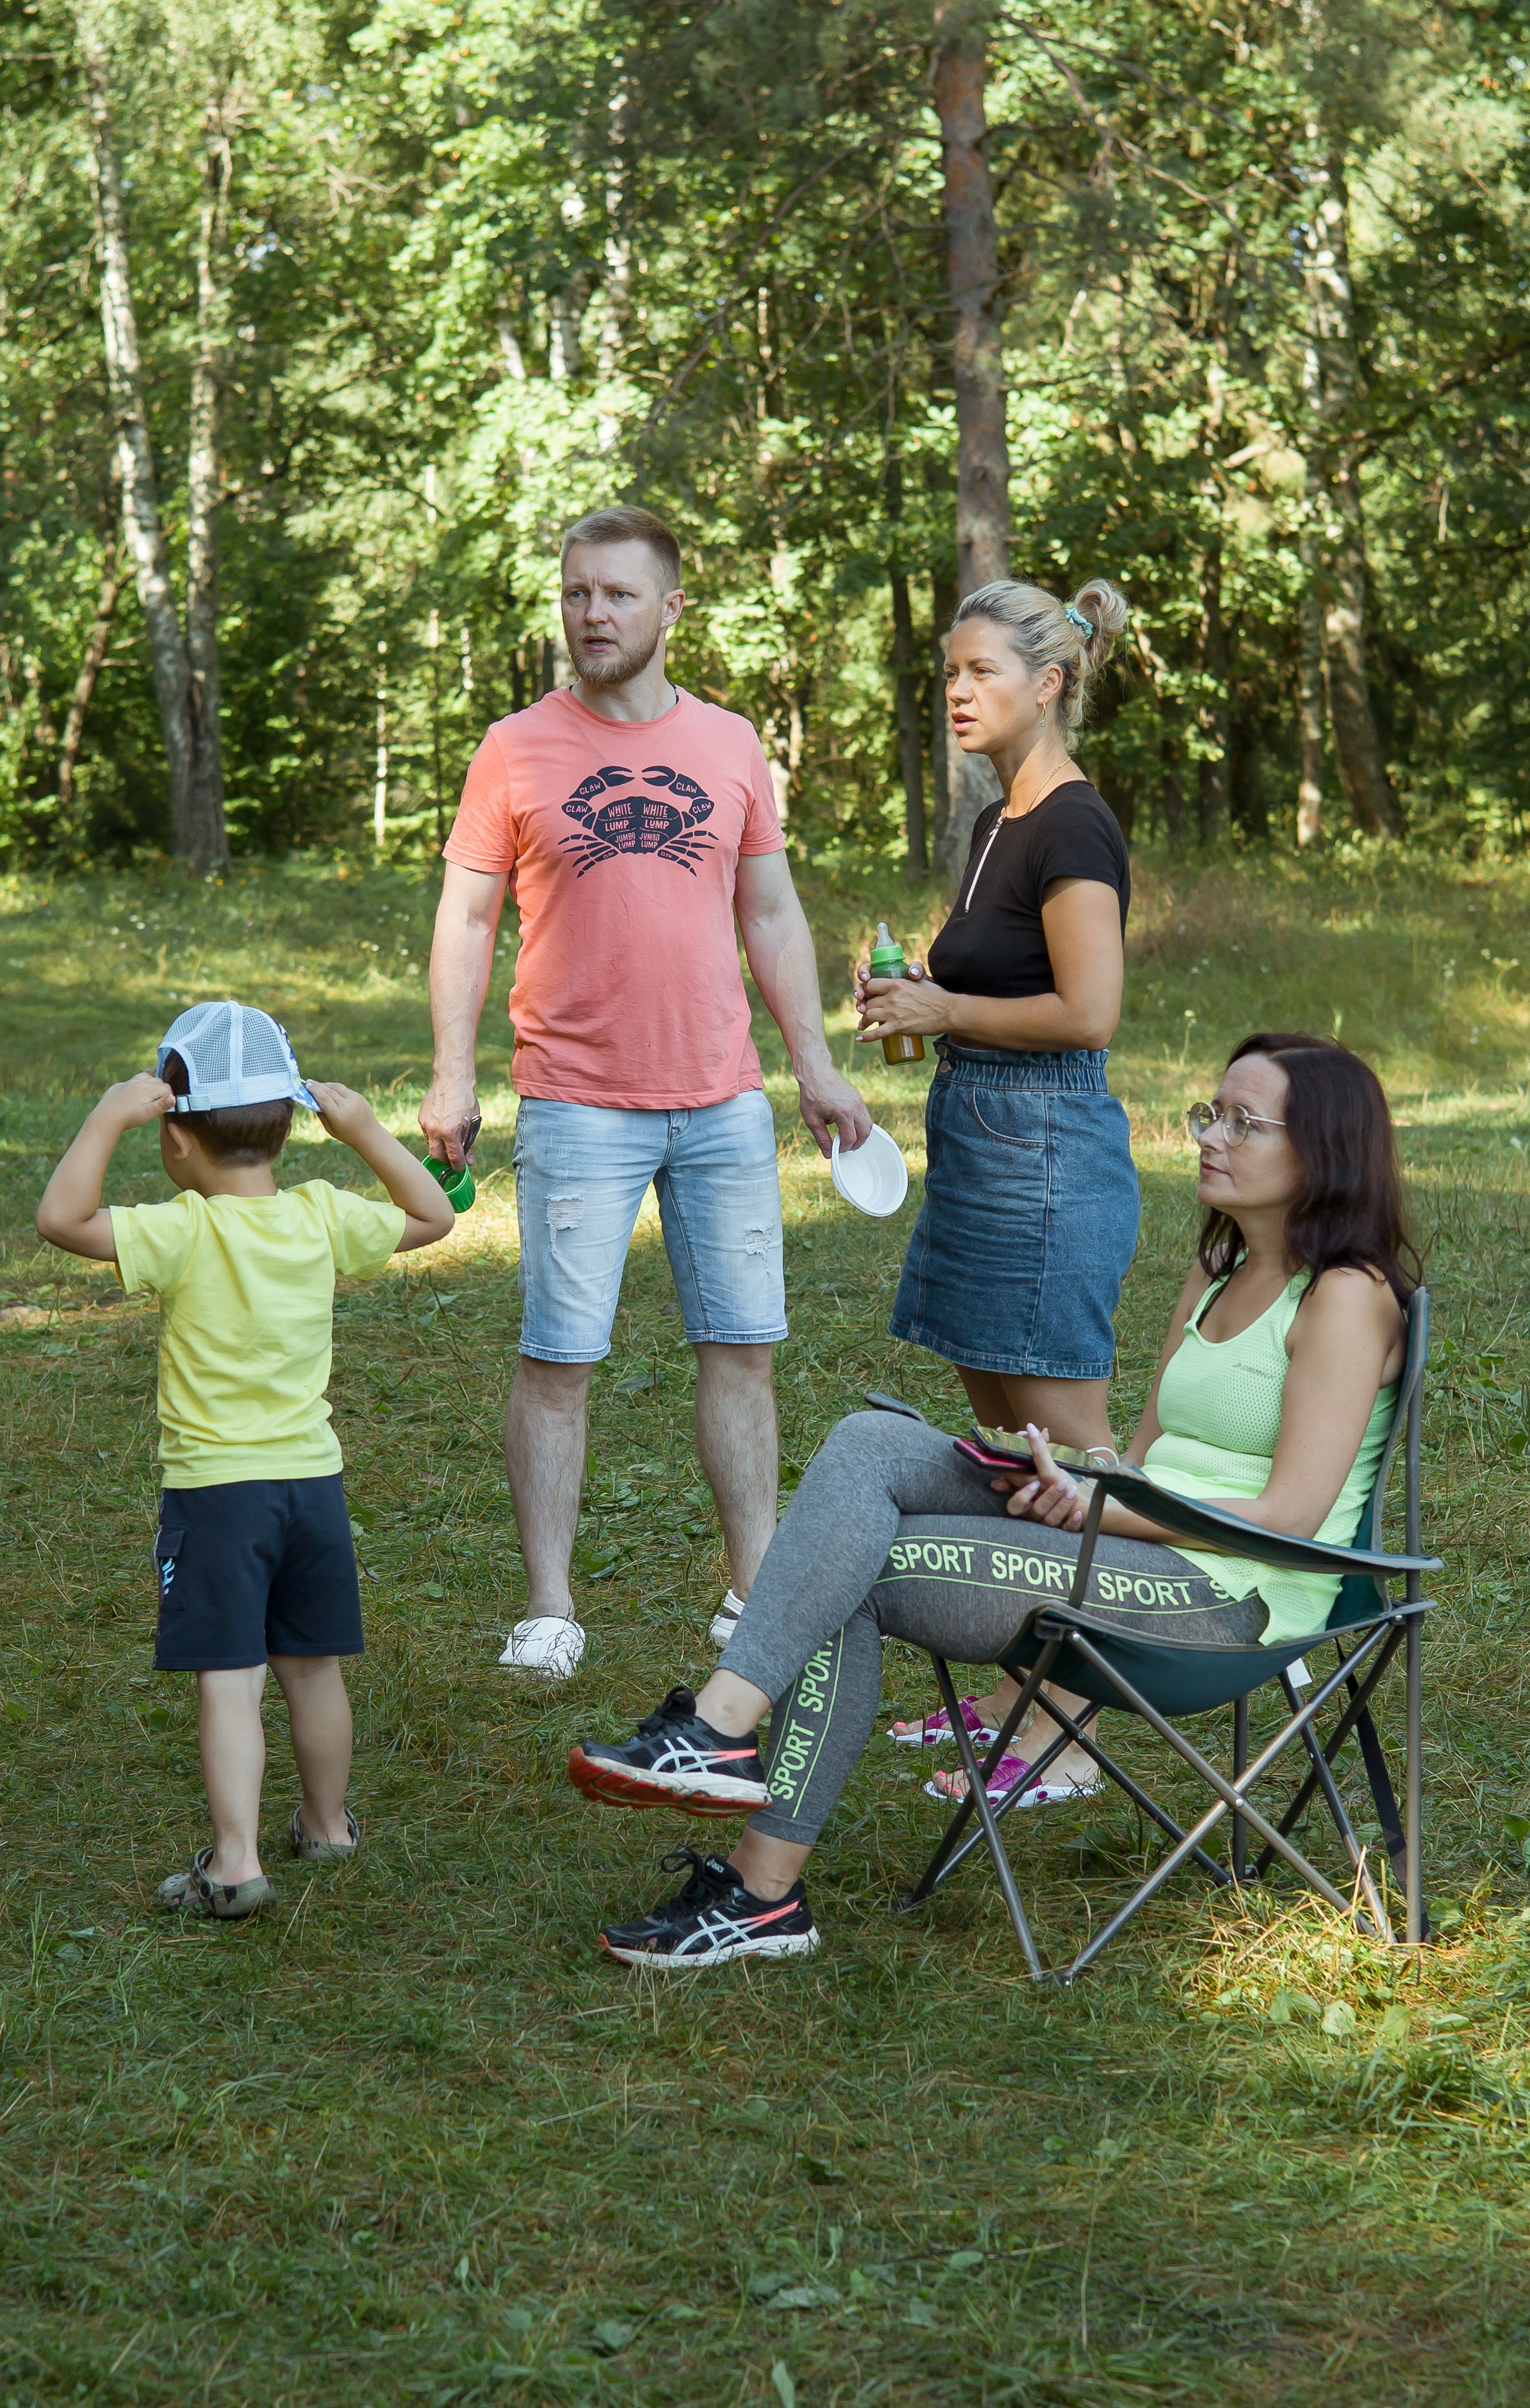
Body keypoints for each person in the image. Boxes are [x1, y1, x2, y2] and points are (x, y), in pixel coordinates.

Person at [565, 1031, 1416, 1968]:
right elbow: (1138, 1458)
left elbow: (1289, 1517)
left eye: (1242, 1123)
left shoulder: (1346, 1295)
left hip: (1226, 1602)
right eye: (1209, 1113)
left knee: (856, 1566)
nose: (1209, 1136)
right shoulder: (1219, 1269)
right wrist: (1056, 1475)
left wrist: (1093, 1510)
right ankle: (723, 1742)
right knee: (869, 1442)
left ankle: (756, 1875)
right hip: (1124, 1539)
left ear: (1323, 1149)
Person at [418, 503, 869, 1681]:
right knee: (560, 1356)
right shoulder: (515, 748)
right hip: (575, 1100)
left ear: (670, 609)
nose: (590, 614)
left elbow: (768, 910)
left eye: (616, 594)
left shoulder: (729, 742)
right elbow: (467, 919)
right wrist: (452, 1070)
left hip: (722, 1099)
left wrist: (811, 1061)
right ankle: (551, 1607)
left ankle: (752, 1592)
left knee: (744, 1345)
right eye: (575, 592)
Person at [35, 1001, 454, 1920]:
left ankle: (234, 1862)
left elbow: (61, 1219)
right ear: (292, 1125)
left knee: (232, 1679)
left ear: (175, 1140)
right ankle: (329, 1823)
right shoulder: (319, 1216)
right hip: (311, 1486)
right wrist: (365, 1130)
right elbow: (431, 1217)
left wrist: (107, 1115)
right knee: (314, 1667)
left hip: (217, 1496)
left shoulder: (182, 1231)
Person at [854, 574, 1138, 1801]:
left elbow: (1088, 1010)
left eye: (980, 673)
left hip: (1047, 1150)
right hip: (982, 1135)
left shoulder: (1075, 823)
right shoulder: (994, 824)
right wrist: (914, 988)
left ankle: (1070, 1725)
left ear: (1050, 683)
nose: (958, 693)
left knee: (1071, 1452)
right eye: (950, 675)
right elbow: (986, 969)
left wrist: (947, 1004)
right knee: (999, 1447)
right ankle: (1028, 1684)